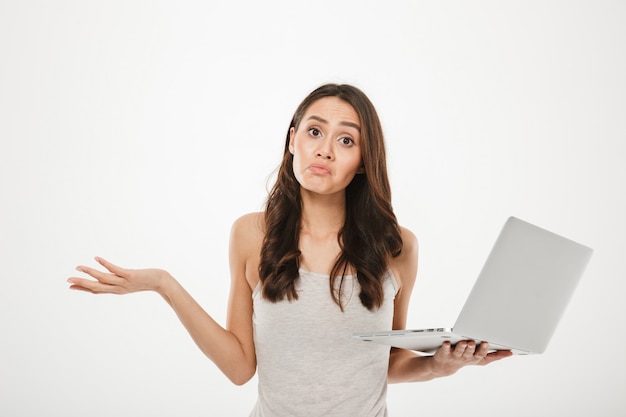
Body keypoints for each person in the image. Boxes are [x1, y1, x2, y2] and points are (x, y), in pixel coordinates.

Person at [67, 83, 512, 416]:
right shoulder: (250, 235)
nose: (324, 150)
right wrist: (164, 284)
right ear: (292, 138)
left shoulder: (398, 246)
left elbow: (388, 361)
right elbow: (240, 368)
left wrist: (440, 366)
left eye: (346, 140)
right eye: (315, 131)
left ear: (362, 162)